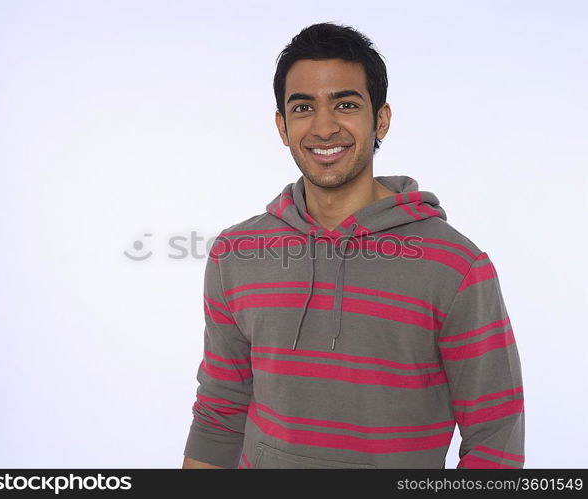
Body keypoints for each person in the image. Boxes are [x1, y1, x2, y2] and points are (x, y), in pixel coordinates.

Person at [182, 22, 525, 469]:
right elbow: (219, 413)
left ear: (380, 118)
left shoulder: (455, 265)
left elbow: (496, 436)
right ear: (282, 126)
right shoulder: (237, 253)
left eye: (345, 104)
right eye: (303, 107)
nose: (324, 128)